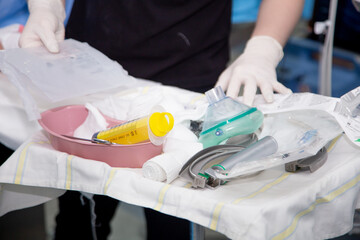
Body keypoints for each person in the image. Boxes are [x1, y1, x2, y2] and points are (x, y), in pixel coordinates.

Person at [18, 0, 305, 239]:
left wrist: (263, 49)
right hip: (93, 72)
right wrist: (46, 7)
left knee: (173, 222)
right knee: (79, 219)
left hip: (188, 83)